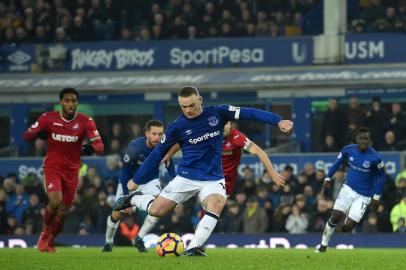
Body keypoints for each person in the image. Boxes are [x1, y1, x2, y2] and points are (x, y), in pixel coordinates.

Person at [112, 86, 293, 256]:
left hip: (213, 178)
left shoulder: (218, 113)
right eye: (184, 107)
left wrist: (278, 121)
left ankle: (194, 247)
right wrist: (137, 181)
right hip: (186, 177)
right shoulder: (176, 127)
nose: (188, 110)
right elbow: (157, 154)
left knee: (217, 203)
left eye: (191, 105)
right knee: (156, 211)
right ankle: (131, 200)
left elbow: (250, 113)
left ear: (200, 99)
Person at [23, 87, 104, 252]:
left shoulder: (85, 120)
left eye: (73, 101)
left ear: (77, 103)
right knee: (55, 201)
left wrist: (90, 148)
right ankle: (44, 233)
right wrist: (39, 132)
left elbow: (100, 146)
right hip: (52, 167)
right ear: (61, 102)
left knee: (64, 211)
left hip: (72, 172)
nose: (70, 104)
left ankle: (51, 241)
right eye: (67, 100)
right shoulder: (48, 118)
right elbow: (26, 136)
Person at [102, 120, 175, 252]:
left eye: (160, 134)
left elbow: (170, 166)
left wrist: (174, 186)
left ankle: (139, 238)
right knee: (117, 213)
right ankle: (108, 241)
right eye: (154, 134)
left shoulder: (165, 146)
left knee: (157, 208)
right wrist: (125, 196)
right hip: (131, 181)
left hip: (151, 181)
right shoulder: (135, 148)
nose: (157, 137)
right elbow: (124, 173)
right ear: (146, 133)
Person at [164, 121, 285, 196]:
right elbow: (183, 142)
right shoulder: (208, 133)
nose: (224, 127)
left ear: (230, 125)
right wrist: (169, 154)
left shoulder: (237, 137)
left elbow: (259, 151)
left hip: (226, 179)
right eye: (222, 125)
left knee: (213, 208)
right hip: (205, 172)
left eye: (227, 124)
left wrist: (272, 172)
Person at [316, 127, 385, 252]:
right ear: (356, 139)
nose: (364, 141)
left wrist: (376, 196)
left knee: (348, 227)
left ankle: (341, 229)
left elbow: (381, 176)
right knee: (335, 216)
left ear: (370, 140)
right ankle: (323, 246)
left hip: (364, 195)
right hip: (348, 189)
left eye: (367, 139)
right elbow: (336, 164)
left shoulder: (375, 158)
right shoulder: (348, 150)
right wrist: (327, 178)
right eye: (361, 138)